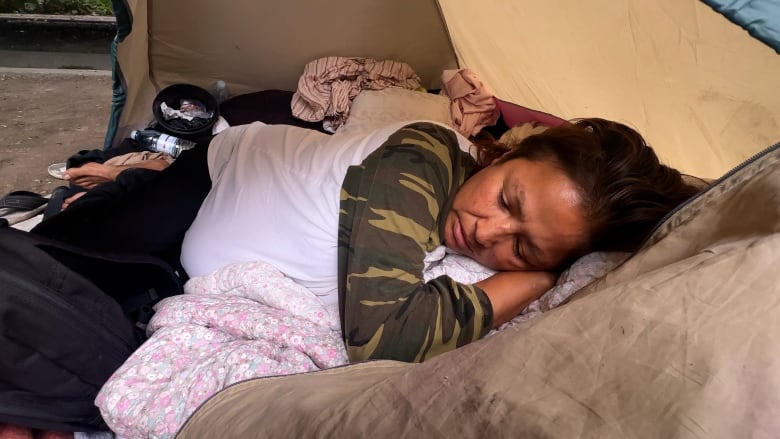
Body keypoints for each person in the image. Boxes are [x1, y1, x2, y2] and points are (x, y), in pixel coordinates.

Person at [31, 118, 700, 363]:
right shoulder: (425, 157)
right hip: (214, 177)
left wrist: (549, 271)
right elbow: (384, 333)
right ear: (497, 158)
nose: (488, 232)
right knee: (44, 268)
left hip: (195, 273)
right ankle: (109, 185)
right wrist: (533, 276)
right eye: (506, 200)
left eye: (523, 247)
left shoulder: (472, 240)